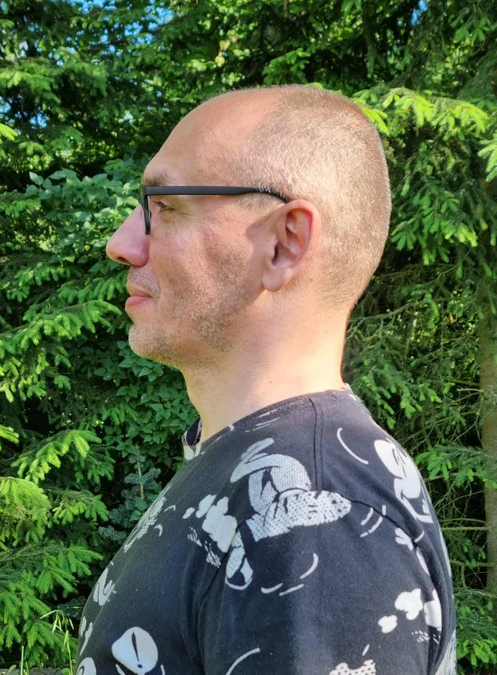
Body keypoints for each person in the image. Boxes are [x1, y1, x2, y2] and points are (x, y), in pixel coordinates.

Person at [76, 85, 456, 675]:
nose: (121, 244)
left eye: (165, 206)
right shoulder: (257, 463)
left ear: (283, 243)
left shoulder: (318, 520)